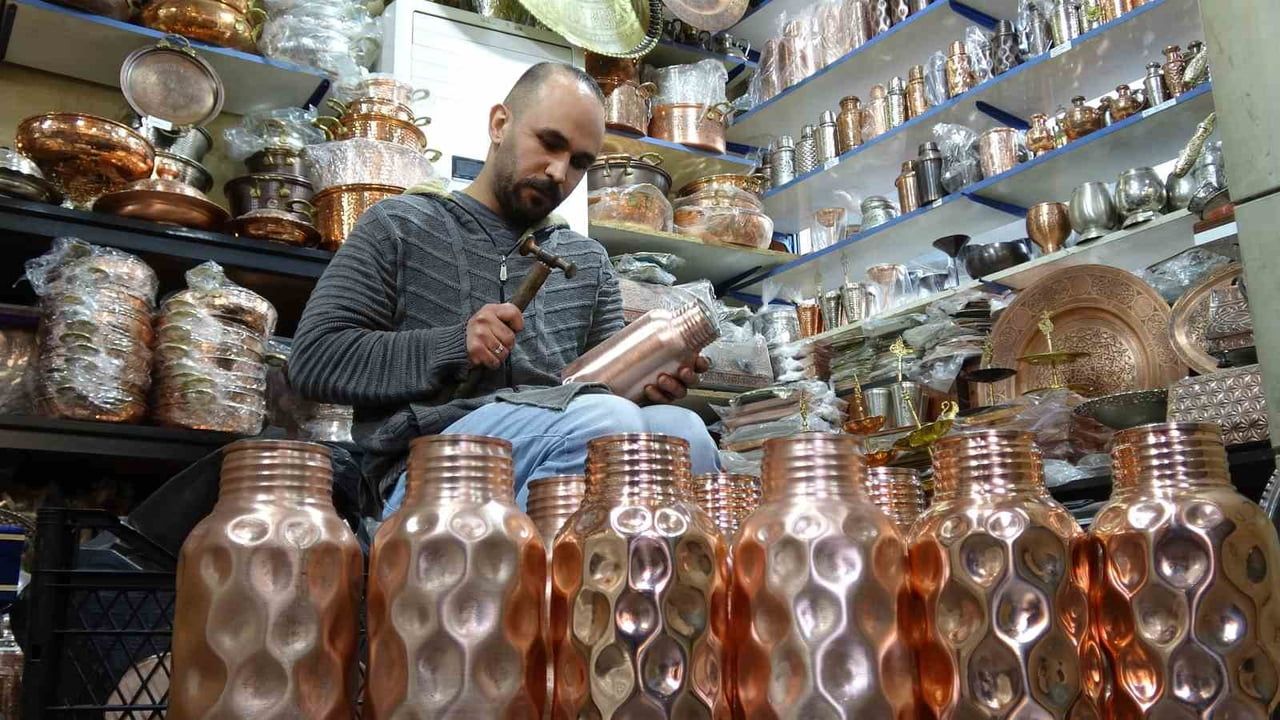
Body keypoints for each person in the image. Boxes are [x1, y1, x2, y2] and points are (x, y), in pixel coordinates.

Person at [290, 62, 719, 513]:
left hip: (564, 435)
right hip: (427, 468)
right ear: (500, 124)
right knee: (607, 421)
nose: (558, 172)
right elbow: (314, 360)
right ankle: (539, 573)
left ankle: (643, 579)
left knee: (683, 431)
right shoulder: (400, 226)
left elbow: (597, 392)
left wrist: (648, 383)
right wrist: (452, 345)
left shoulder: (589, 261)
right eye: (549, 143)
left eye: (578, 163)